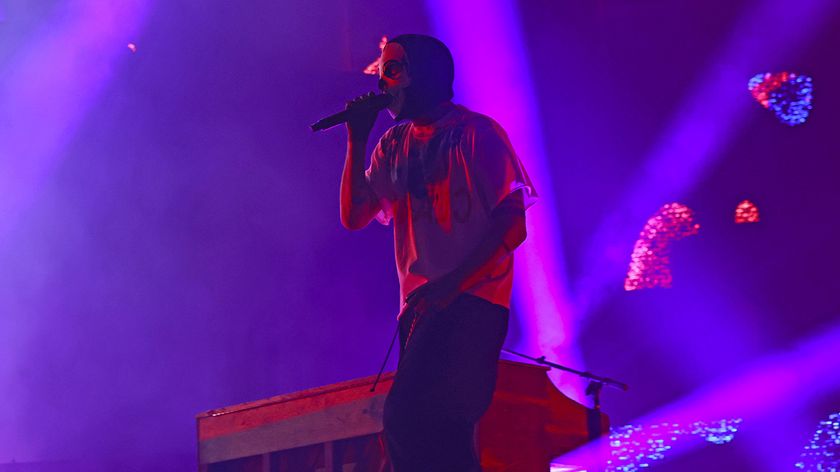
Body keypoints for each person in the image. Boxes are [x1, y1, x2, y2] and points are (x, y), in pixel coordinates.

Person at [340, 34, 537, 471]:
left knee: (407, 418)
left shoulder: (478, 134)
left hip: (471, 303)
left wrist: (452, 283)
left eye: (392, 69)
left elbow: (512, 225)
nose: (381, 83)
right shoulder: (393, 144)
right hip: (422, 307)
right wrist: (356, 139)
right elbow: (354, 215)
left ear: (424, 74)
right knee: (443, 435)